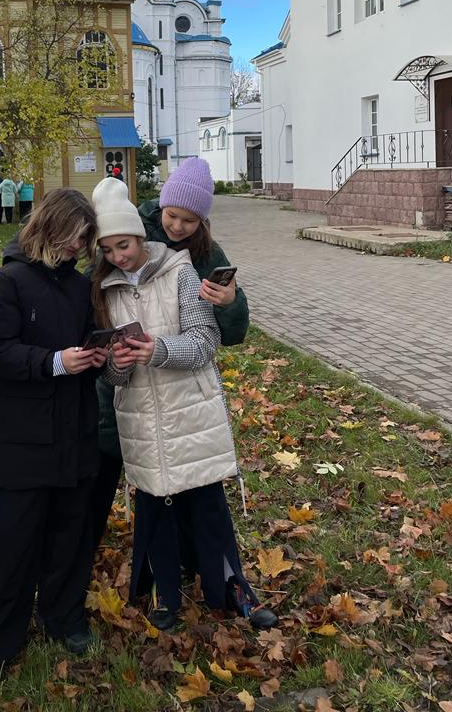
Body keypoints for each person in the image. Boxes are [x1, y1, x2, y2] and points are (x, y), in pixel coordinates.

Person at [91, 176, 277, 632]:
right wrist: (116, 363)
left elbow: (206, 341)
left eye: (124, 245)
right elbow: (109, 374)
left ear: (141, 236)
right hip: (139, 416)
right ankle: (163, 588)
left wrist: (157, 350)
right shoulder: (103, 289)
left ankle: (230, 584)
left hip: (190, 409)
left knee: (206, 497)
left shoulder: (181, 270)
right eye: (108, 249)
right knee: (155, 503)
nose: (119, 256)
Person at [0, 189, 107, 686]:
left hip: (76, 428)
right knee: (15, 541)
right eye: (73, 237)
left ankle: (63, 616)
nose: (77, 247)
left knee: (71, 533)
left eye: (85, 240)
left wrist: (97, 357)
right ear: (49, 227)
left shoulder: (81, 286)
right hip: (24, 435)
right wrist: (54, 362)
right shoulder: (7, 282)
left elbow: (86, 345)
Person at [91, 156, 250, 559]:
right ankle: (91, 552)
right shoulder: (128, 231)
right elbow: (98, 287)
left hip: (178, 389)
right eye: (173, 215)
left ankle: (194, 561)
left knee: (189, 479)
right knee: (110, 463)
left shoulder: (205, 255)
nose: (178, 227)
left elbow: (225, 334)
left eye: (190, 220)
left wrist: (229, 302)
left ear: (202, 222)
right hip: (125, 385)